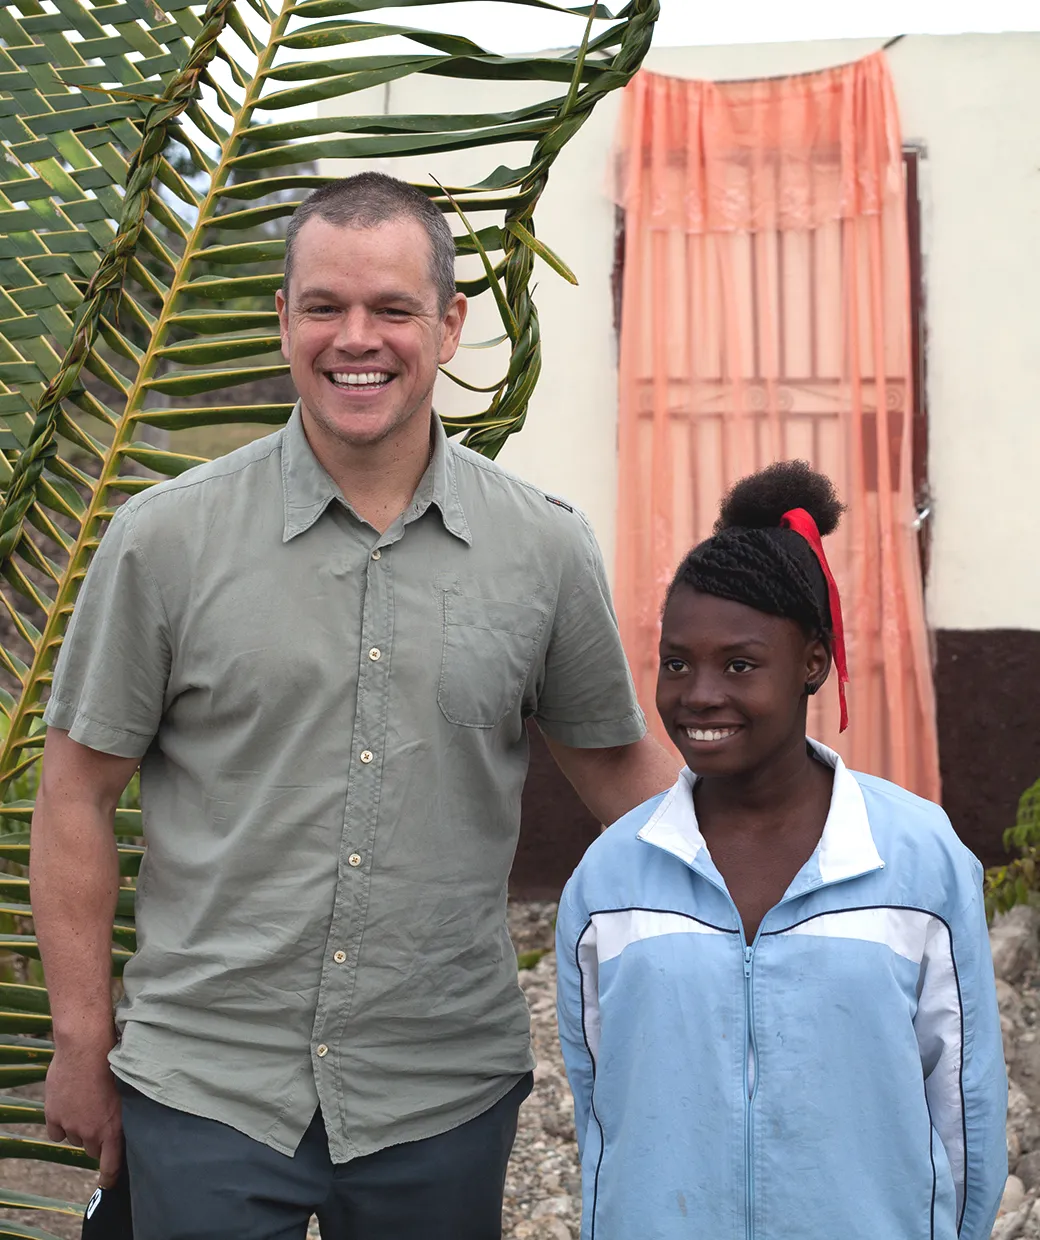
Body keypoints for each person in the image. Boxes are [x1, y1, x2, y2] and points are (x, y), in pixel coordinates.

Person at [30, 172, 678, 1240]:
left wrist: (796, 859)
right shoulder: (164, 540)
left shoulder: (543, 549)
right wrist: (80, 1042)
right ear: (283, 318)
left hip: (440, 1091)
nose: (355, 339)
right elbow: (76, 794)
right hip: (208, 1085)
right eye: (324, 306)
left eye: (392, 308)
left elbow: (618, 771)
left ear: (450, 325)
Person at [556, 460, 1008, 1240]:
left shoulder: (917, 858)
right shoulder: (612, 876)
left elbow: (964, 1104)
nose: (700, 694)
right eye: (676, 663)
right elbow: (602, 1110)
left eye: (740, 664)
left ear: (813, 663)